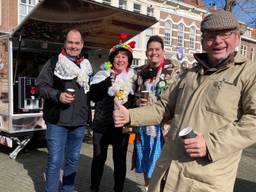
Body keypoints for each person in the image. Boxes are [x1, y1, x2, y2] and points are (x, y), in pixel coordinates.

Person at [113, 10, 256, 192]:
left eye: (225, 33)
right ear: (203, 41)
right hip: (166, 174)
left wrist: (211, 145)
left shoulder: (249, 73)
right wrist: (130, 115)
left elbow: (253, 120)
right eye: (211, 35)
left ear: (237, 38)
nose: (218, 40)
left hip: (203, 181)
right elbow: (163, 107)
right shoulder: (190, 73)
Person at [36, 29, 93, 192]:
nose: (73, 46)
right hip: (57, 122)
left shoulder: (86, 65)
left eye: (77, 43)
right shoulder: (55, 62)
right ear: (65, 43)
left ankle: (68, 188)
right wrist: (58, 95)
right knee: (55, 160)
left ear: (82, 45)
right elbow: (40, 85)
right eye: (70, 42)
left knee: (73, 159)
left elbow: (89, 91)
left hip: (79, 122)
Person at [89, 33, 136, 192]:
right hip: (102, 124)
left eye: (124, 56)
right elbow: (93, 95)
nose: (120, 60)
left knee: (120, 160)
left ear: (128, 60)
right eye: (117, 56)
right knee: (98, 159)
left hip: (121, 126)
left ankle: (118, 189)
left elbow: (135, 102)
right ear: (112, 59)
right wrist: (106, 82)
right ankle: (94, 188)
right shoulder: (102, 74)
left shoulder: (133, 79)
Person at [133, 35, 180, 192]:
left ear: (163, 51)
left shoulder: (173, 69)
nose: (154, 53)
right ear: (146, 53)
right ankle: (148, 188)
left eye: (157, 49)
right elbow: (134, 95)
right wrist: (138, 102)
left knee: (162, 162)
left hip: (164, 127)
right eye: (150, 50)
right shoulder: (141, 72)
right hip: (145, 126)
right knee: (146, 160)